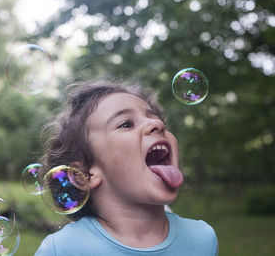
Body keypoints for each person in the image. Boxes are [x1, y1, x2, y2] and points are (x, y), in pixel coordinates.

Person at [35, 79, 218, 256]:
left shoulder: (203, 239)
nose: (158, 124)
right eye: (126, 124)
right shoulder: (62, 250)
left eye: (155, 118)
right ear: (83, 175)